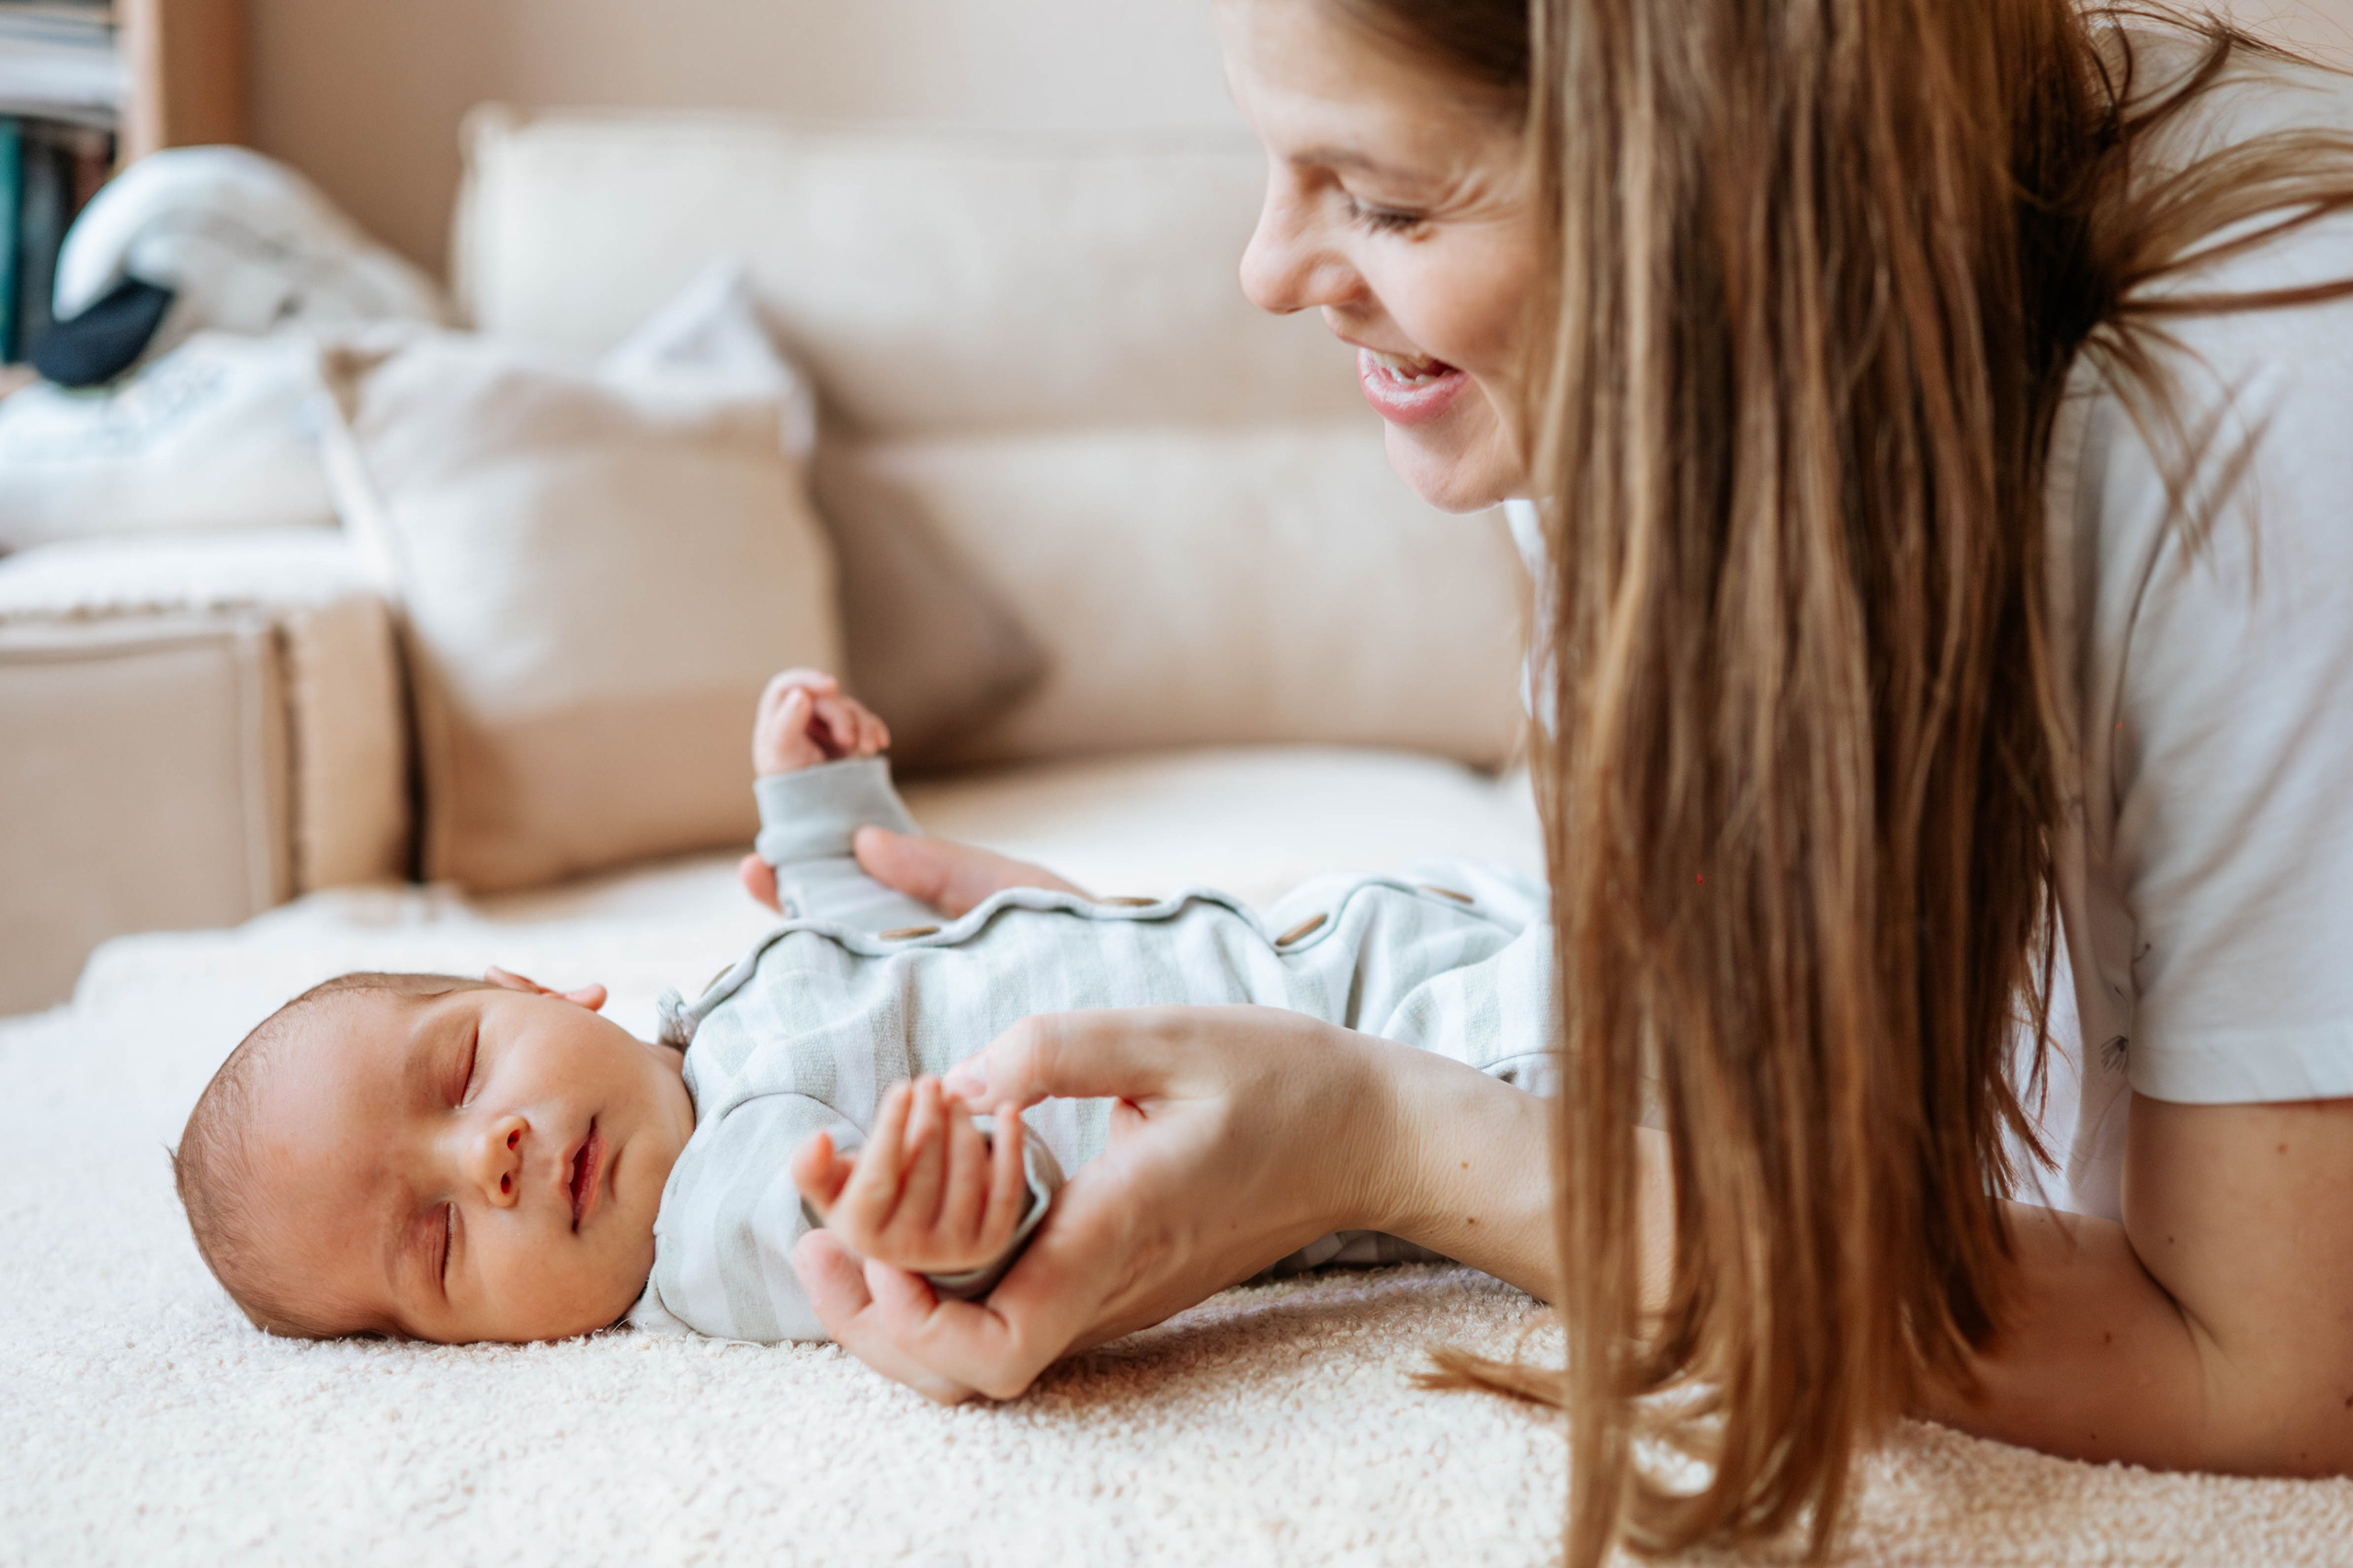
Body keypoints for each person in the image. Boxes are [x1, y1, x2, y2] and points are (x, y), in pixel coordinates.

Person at [754, 1, 2353, 1562]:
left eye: (1381, 197)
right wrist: (1170, 964)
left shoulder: (2270, 414)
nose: (1266, 270)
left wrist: (1378, 1138)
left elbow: (2271, 1366)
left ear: (1713, 165)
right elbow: (1697, 1036)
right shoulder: (1635, 377)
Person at [169, 669, 1549, 1344]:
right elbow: (855, 1230)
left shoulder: (717, 1022)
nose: (492, 1153)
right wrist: (944, 1233)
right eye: (438, 1235)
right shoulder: (715, 1223)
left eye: (462, 1068)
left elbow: (879, 953)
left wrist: (824, 814)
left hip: (1350, 932)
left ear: (535, 984)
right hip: (1444, 1059)